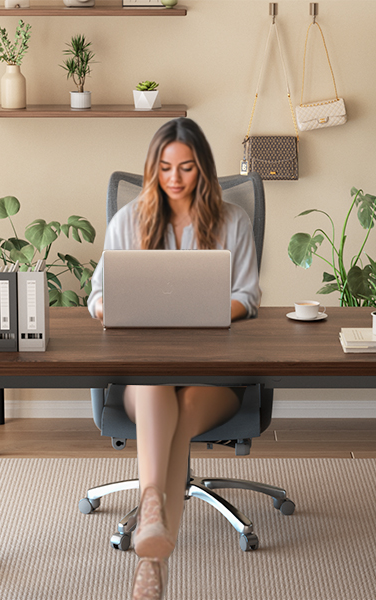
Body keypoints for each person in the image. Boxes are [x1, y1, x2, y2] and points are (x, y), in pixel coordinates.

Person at [87, 117, 261, 599]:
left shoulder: (232, 221)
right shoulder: (129, 221)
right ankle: (154, 541)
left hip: (214, 378)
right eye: (165, 168)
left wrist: (202, 309)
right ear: (153, 168)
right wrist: (108, 308)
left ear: (202, 168)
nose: (176, 178)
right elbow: (96, 295)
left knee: (184, 413)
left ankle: (152, 527)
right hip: (144, 378)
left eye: (186, 168)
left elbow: (247, 296)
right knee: (158, 392)